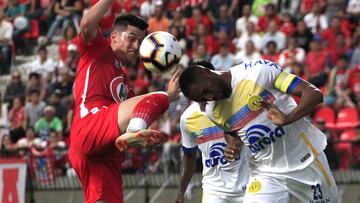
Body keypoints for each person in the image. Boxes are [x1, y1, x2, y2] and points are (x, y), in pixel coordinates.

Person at [179, 60, 338, 203]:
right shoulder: (213, 111)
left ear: (206, 72)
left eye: (206, 91)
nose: (209, 97)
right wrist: (232, 145)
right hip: (266, 171)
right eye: (203, 98)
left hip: (305, 160)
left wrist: (287, 119)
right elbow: (232, 132)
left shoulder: (258, 72)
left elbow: (314, 94)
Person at [68, 0, 180, 203]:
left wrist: (141, 139)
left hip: (105, 152)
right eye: (132, 38)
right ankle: (137, 127)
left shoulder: (124, 82)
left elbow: (132, 112)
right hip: (90, 125)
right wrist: (169, 96)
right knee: (156, 97)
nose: (136, 46)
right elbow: (86, 25)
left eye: (140, 41)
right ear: (114, 37)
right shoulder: (99, 49)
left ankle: (134, 131)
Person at [175, 97, 249, 202]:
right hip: (214, 190)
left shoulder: (235, 104)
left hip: (247, 186)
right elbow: (189, 155)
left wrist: (238, 143)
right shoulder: (187, 118)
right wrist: (180, 192)